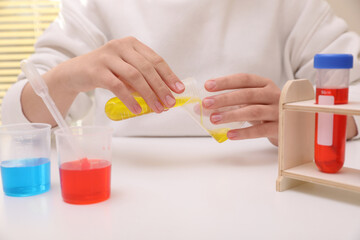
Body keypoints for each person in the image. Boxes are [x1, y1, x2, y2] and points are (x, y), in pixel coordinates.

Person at [2, 0, 360, 146]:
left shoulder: (294, 6)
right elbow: (12, 123)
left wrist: (303, 123)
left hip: (268, 201)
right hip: (121, 205)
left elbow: (355, 98)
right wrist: (67, 77)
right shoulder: (93, 6)